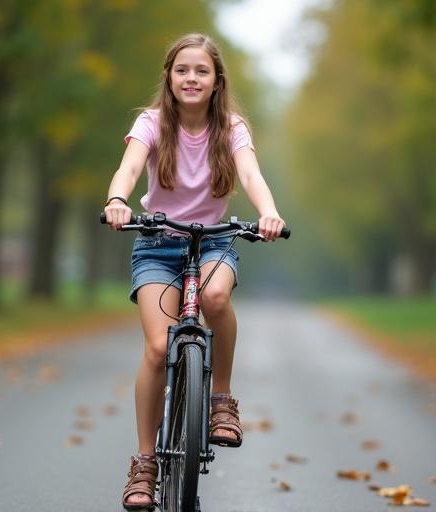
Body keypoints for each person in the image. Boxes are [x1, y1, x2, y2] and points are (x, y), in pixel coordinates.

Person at [103, 33, 286, 511]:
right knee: (159, 346)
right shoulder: (151, 123)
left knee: (216, 300)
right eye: (182, 69)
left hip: (214, 241)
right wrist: (117, 200)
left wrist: (268, 211)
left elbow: (249, 175)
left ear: (216, 81)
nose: (191, 78)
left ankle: (221, 399)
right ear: (169, 76)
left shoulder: (232, 128)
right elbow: (128, 168)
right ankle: (144, 463)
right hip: (157, 244)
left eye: (201, 71)